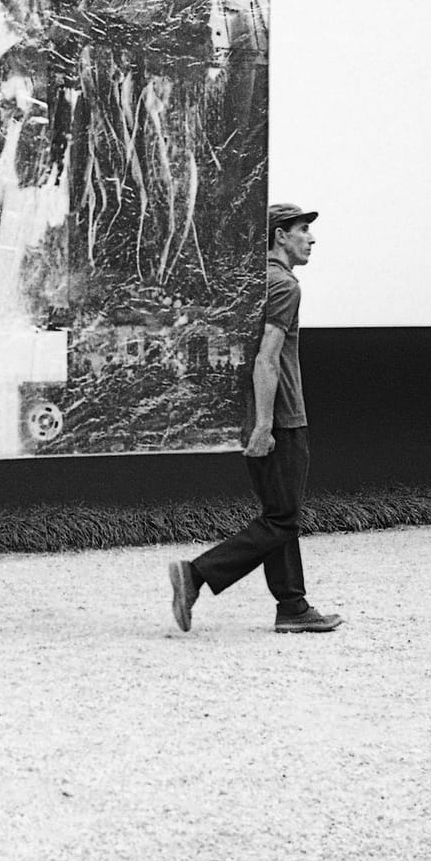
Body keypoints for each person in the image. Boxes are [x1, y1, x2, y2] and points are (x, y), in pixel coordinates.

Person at [168, 203, 343, 634]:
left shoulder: (251, 283)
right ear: (280, 235)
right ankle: (196, 574)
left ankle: (293, 607)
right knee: (282, 519)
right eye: (302, 229)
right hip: (280, 417)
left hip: (254, 413)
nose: (311, 238)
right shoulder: (283, 285)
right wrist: (266, 425)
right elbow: (266, 359)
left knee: (279, 514)